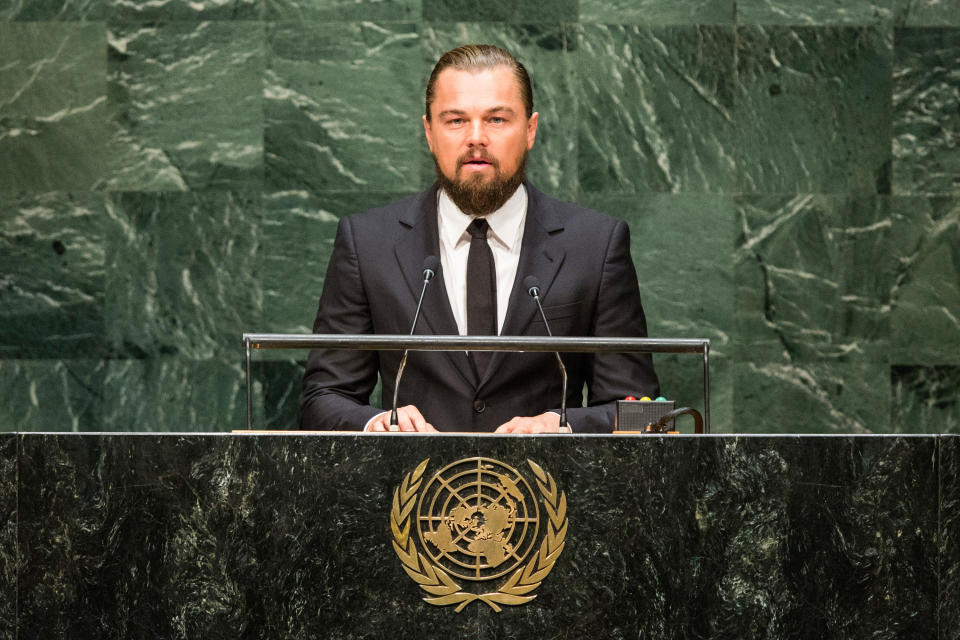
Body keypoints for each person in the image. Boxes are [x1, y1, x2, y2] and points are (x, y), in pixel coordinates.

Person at [298, 44, 658, 433]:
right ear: (429, 132)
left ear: (531, 130)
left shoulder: (596, 244)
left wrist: (563, 427)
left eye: (497, 119)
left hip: (549, 490)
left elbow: (643, 413)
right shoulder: (369, 243)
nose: (476, 137)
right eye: (455, 120)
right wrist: (377, 423)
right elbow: (322, 400)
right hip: (413, 489)